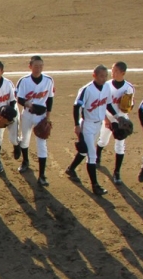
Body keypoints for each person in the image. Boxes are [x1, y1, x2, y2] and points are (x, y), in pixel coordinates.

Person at [64, 65, 117, 196]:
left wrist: (117, 117)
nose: (104, 78)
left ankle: (71, 169)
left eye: (105, 76)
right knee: (92, 155)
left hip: (98, 125)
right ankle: (95, 186)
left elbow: (108, 104)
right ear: (94, 75)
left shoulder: (106, 87)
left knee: (84, 151)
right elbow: (76, 107)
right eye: (101, 76)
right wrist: (76, 125)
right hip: (87, 125)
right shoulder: (86, 89)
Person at [15, 55, 55, 186]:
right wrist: (29, 105)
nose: (38, 68)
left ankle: (42, 175)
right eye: (36, 66)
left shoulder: (48, 80)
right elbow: (19, 98)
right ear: (30, 66)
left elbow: (50, 99)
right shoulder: (24, 81)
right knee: (24, 139)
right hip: (27, 114)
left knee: (42, 144)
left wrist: (48, 116)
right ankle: (25, 161)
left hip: (41, 116)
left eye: (41, 66)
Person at [95, 62, 135, 185]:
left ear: (123, 73)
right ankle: (98, 155)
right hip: (108, 117)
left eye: (116, 71)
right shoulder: (106, 85)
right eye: (112, 70)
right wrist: (106, 120)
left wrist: (128, 108)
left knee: (120, 146)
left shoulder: (129, 87)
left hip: (122, 120)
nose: (113, 73)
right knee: (103, 141)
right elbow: (101, 104)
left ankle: (117, 172)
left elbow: (131, 105)